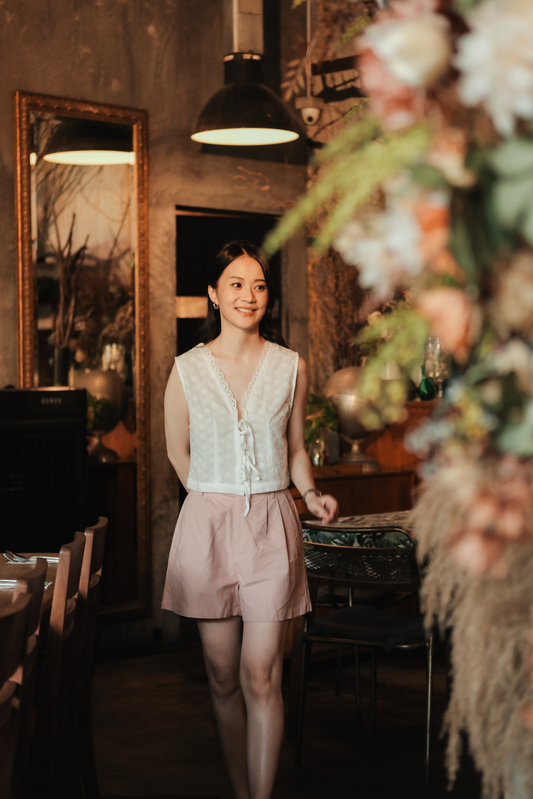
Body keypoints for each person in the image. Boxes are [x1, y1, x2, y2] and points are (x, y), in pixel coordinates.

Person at [162, 240, 339, 799]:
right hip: (208, 526)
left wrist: (309, 493)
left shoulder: (291, 367)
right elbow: (176, 451)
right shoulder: (186, 370)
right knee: (221, 677)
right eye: (235, 284)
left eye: (258, 285)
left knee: (260, 674)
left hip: (272, 523)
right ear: (213, 295)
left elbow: (294, 449)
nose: (248, 295)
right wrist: (213, 498)